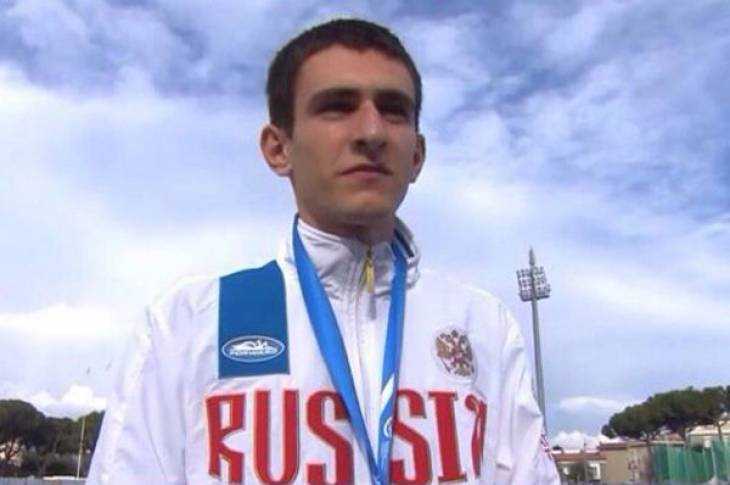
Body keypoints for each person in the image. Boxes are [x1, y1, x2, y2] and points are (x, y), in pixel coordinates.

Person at [87, 18, 559, 484]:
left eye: (394, 110)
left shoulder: (484, 327)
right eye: (337, 107)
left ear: (416, 155)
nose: (371, 131)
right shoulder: (186, 325)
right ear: (278, 148)